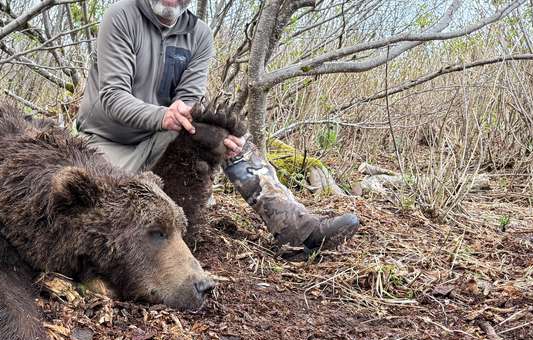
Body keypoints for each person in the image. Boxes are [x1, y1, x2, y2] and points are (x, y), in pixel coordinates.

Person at [76, 0, 359, 258]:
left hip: (159, 139)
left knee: (226, 138)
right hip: (106, 143)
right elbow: (113, 97)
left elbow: (189, 103)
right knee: (91, 208)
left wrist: (207, 132)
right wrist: (164, 116)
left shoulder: (199, 35)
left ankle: (296, 230)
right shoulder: (121, 17)